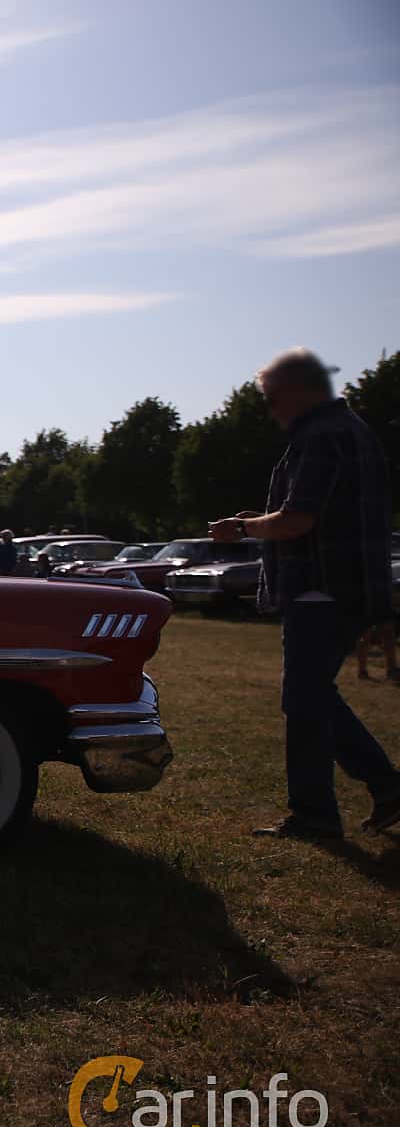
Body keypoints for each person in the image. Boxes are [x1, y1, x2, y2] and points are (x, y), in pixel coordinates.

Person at [209, 347, 400, 840]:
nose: (270, 410)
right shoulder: (354, 431)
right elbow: (313, 515)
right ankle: (383, 789)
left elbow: (298, 521)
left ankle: (316, 814)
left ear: (299, 392)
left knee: (306, 699)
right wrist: (257, 521)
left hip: (323, 591)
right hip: (349, 587)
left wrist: (244, 527)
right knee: (312, 697)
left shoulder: (319, 437)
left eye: (271, 399)